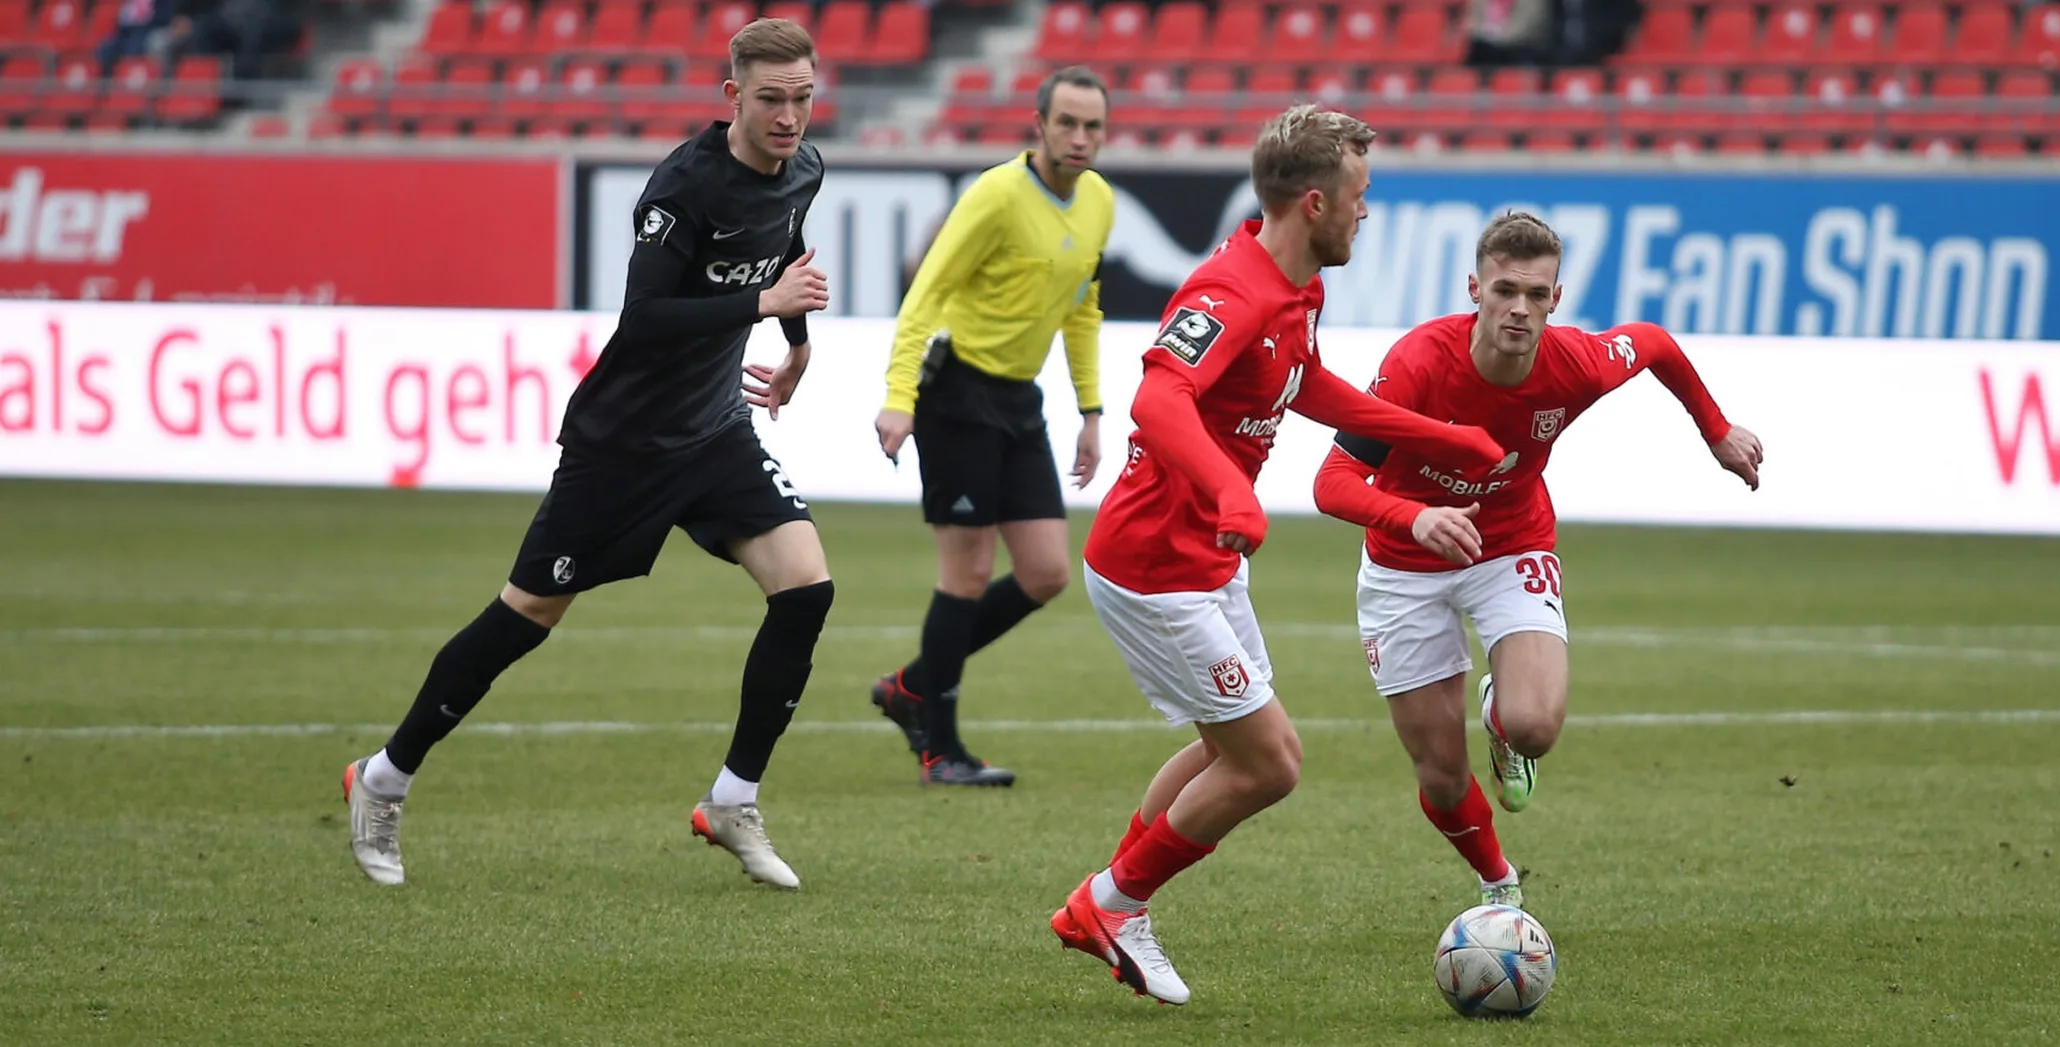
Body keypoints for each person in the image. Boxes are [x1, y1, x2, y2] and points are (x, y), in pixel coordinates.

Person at [340, 19, 834, 890]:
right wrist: (763, 304)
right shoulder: (684, 185)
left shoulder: (805, 168)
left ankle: (733, 799)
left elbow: (784, 244)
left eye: (801, 97)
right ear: (733, 96)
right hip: (625, 443)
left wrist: (796, 344)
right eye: (771, 100)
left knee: (806, 587)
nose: (790, 117)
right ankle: (382, 777)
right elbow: (643, 319)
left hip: (715, 430)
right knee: (526, 615)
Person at [1047, 105, 1508, 1006]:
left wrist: (1439, 435)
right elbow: (1158, 400)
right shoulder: (1231, 293)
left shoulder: (1298, 289)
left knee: (1228, 747)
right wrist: (1230, 490)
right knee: (1269, 762)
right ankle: (1114, 902)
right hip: (1155, 563)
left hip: (1205, 559)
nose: (1366, 210)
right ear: (1314, 203)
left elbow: (1310, 385)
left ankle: (1105, 901)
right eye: (1359, 194)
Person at [1312, 211, 1764, 910]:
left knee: (1535, 726)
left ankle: (1501, 716)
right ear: (1476, 290)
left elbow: (1652, 343)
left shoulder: (1575, 363)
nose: (1519, 308)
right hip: (1405, 562)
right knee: (1440, 775)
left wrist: (1717, 429)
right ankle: (1499, 879)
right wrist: (1416, 517)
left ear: (1556, 299)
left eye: (1535, 294)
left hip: (1509, 544)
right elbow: (1332, 483)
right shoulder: (1417, 365)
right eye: (1504, 290)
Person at [866, 65, 1116, 787]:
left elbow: (1082, 307)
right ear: (1039, 126)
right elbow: (926, 293)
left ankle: (911, 686)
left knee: (1046, 572)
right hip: (956, 393)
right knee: (968, 574)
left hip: (1018, 401)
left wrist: (1091, 411)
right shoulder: (996, 195)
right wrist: (899, 396)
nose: (1079, 137)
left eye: (1092, 126)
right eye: (1066, 123)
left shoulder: (1099, 201)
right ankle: (940, 749)